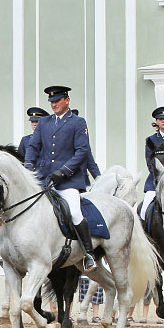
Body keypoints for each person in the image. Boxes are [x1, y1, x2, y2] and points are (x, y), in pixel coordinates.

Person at [23, 84, 98, 271]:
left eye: (57, 101)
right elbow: (33, 147)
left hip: (68, 180)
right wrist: (28, 168)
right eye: (51, 102)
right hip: (44, 178)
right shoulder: (44, 123)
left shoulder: (78, 122)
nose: (54, 104)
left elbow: (81, 152)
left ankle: (88, 253)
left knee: (74, 212)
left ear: (67, 100)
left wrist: (63, 171)